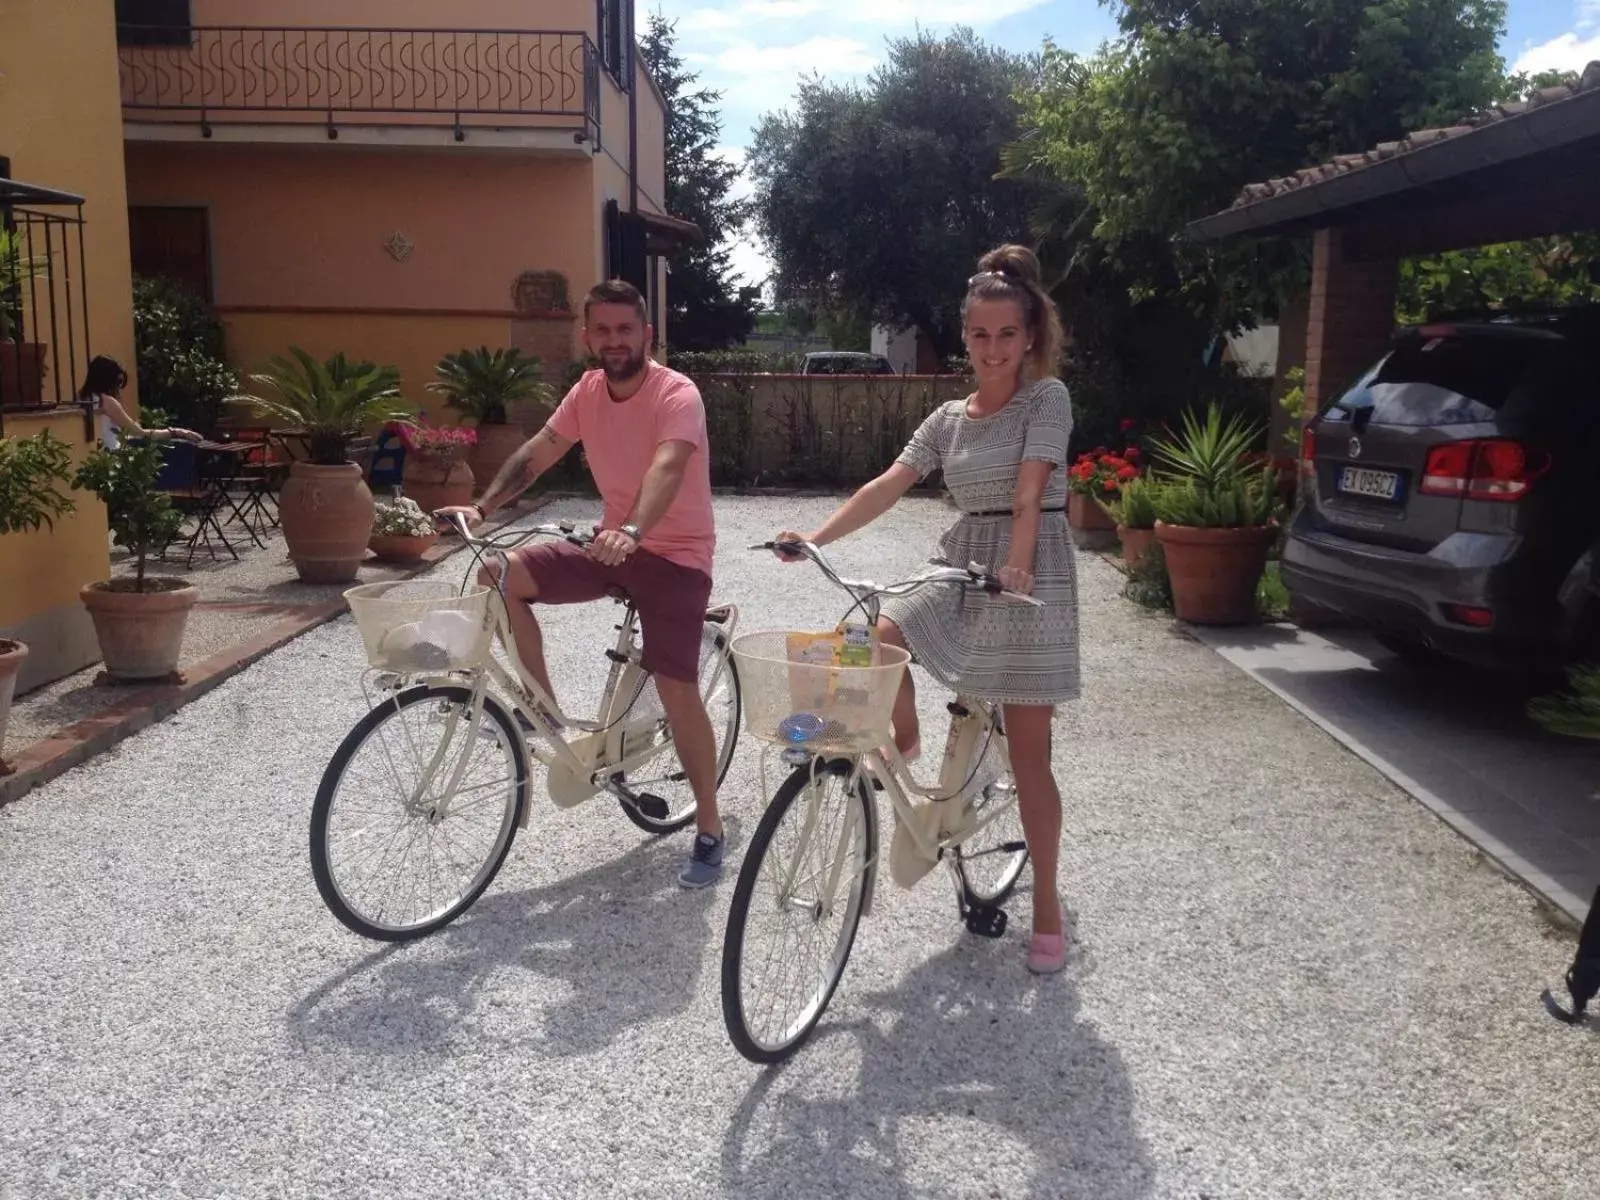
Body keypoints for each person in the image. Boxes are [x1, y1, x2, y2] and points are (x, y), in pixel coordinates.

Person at [774, 244, 1080, 974]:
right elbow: (890, 481)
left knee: (1031, 755)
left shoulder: (1047, 398)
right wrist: (812, 536)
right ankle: (901, 740)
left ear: (1030, 335)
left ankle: (1044, 906)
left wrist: (1017, 563)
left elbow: (1032, 491)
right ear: (964, 335)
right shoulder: (949, 416)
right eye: (980, 334)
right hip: (964, 558)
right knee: (876, 630)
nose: (994, 348)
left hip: (1029, 570)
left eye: (1008, 334)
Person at [435, 280, 728, 889]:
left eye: (627, 330)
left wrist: (633, 527)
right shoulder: (588, 391)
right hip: (610, 544)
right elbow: (538, 452)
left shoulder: (677, 393)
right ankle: (547, 717)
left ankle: (708, 825)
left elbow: (668, 465)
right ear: (587, 336)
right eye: (604, 330)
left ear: (647, 335)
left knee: (677, 689)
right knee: (497, 576)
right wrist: (483, 509)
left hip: (673, 556)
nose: (615, 341)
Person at [78, 355, 202, 448]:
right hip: (112, 457)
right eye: (117, 382)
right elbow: (138, 433)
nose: (118, 388)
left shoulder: (82, 398)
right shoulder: (106, 402)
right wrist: (175, 432)